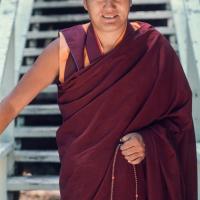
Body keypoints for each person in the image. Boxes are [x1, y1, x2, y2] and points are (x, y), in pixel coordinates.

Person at [0, 0, 197, 199]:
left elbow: (180, 119)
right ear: (85, 3)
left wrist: (149, 141)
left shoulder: (153, 47)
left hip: (139, 183)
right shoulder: (64, 51)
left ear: (130, 2)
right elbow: (11, 105)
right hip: (84, 179)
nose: (109, 6)